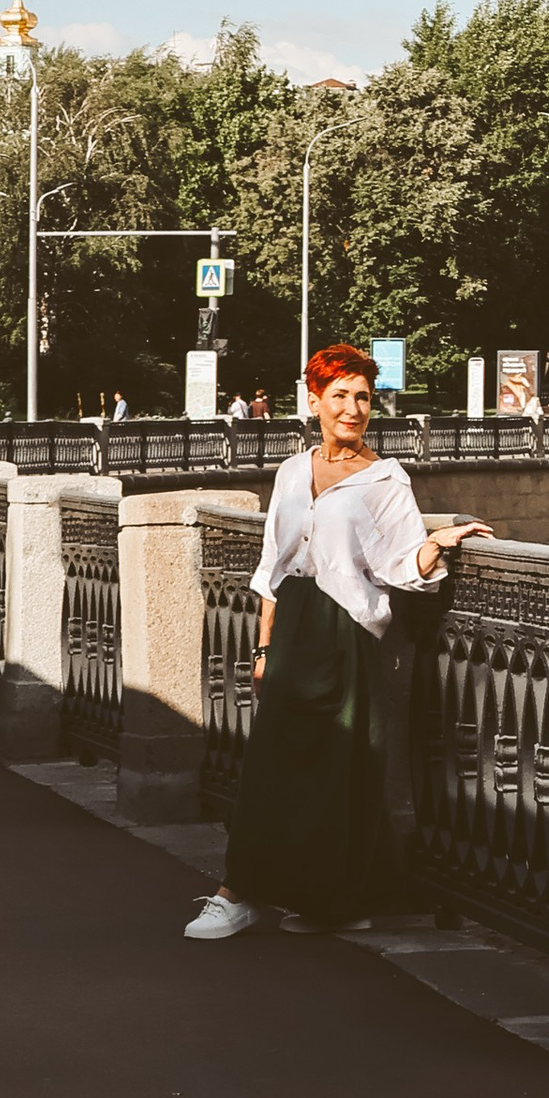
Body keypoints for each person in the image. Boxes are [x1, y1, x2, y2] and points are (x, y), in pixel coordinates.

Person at [182, 343, 493, 941]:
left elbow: (401, 564)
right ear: (314, 401)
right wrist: (264, 648)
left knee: (336, 773)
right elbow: (273, 565)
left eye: (363, 398)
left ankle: (331, 902)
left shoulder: (385, 480)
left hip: (345, 631)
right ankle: (238, 891)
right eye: (340, 395)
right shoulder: (292, 471)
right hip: (294, 625)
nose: (353, 409)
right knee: (271, 764)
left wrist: (438, 543)